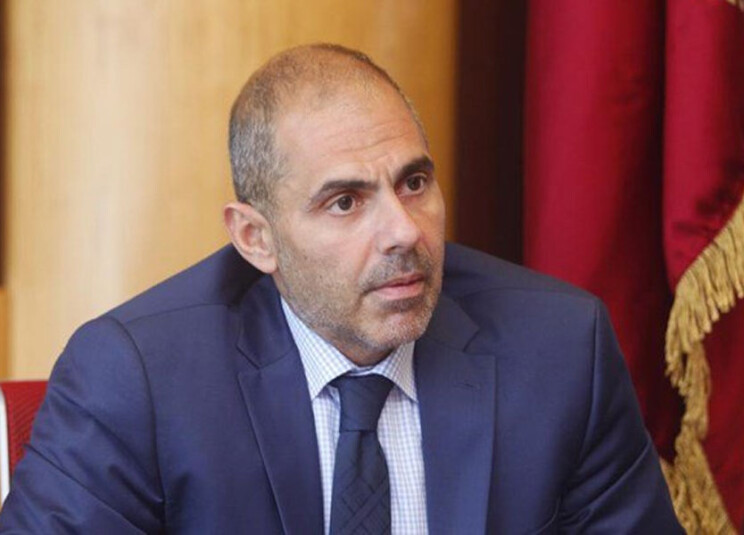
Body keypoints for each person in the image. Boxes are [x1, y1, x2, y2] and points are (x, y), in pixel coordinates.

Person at [0, 44, 682, 534]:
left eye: (414, 182)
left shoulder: (561, 349)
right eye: (346, 202)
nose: (403, 231)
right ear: (256, 238)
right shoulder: (137, 376)